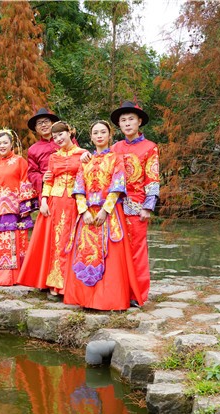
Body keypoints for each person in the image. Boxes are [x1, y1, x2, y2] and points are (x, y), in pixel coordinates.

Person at [64, 120, 140, 311]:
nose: (99, 136)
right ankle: (85, 299)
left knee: (110, 256)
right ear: (91, 137)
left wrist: (106, 210)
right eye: (95, 133)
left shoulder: (116, 159)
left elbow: (117, 186)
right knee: (86, 253)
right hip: (88, 215)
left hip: (109, 213)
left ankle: (108, 300)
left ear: (110, 135)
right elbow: (78, 187)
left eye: (103, 132)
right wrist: (83, 211)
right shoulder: (85, 161)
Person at [18, 120, 86, 294]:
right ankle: (54, 282)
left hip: (74, 201)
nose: (58, 139)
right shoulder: (54, 157)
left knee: (70, 240)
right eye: (55, 137)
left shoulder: (83, 154)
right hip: (55, 202)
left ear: (69, 133)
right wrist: (43, 201)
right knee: (54, 242)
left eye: (61, 134)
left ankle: (69, 284)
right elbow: (48, 180)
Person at [109, 101, 159, 305]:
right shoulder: (114, 148)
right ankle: (117, 292)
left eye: (131, 119)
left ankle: (137, 294)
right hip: (113, 206)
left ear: (139, 121)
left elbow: (152, 178)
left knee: (137, 250)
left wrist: (148, 206)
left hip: (137, 206)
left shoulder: (150, 147)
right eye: (123, 120)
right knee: (116, 250)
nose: (127, 123)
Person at [0, 129, 37, 286]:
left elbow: (25, 181)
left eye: (5, 143)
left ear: (12, 145)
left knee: (16, 241)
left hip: (15, 208)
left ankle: (18, 276)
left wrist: (24, 206)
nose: (2, 146)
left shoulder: (19, 161)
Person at [26, 107, 61, 197]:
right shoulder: (33, 150)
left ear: (52, 123)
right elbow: (31, 173)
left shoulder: (64, 140)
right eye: (39, 123)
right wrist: (42, 178)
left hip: (67, 185)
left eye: (46, 121)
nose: (43, 125)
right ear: (36, 128)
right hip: (46, 190)